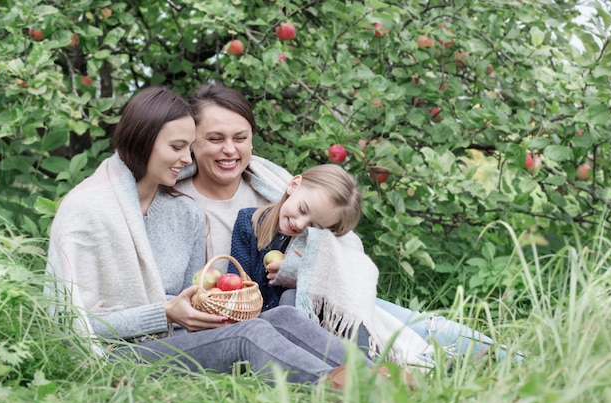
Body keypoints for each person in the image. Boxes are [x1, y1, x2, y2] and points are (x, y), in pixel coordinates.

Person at [44, 85, 381, 386]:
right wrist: (166, 312)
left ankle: (379, 376)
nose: (187, 159)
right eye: (178, 147)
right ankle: (352, 391)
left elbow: (190, 293)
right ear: (143, 141)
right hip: (120, 353)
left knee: (282, 315)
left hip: (176, 339)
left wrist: (204, 308)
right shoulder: (90, 212)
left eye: (189, 147)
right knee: (250, 335)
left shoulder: (185, 212)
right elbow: (69, 323)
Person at [176, 83, 518, 363]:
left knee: (410, 323)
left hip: (320, 301)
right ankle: (415, 367)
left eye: (240, 138)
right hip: (262, 316)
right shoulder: (180, 204)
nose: (230, 150)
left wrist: (304, 267)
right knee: (384, 332)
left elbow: (336, 243)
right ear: (193, 140)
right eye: (215, 138)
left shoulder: (275, 185)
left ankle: (508, 358)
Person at [228, 164, 362, 312]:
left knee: (290, 297)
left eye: (313, 226)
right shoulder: (248, 222)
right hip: (252, 317)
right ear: (293, 185)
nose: (300, 224)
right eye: (302, 209)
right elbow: (236, 281)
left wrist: (306, 277)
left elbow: (346, 290)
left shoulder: (316, 246)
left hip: (297, 320)